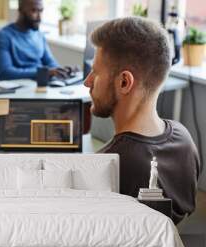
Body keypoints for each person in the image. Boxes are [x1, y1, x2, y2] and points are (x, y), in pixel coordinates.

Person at [84, 17, 200, 225]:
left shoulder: (104, 169)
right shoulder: (184, 139)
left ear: (124, 82)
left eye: (96, 72)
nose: (87, 82)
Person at [0, 0, 69, 80]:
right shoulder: (3, 37)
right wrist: (44, 72)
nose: (39, 17)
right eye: (34, 11)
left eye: (41, 11)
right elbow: (5, 73)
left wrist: (63, 71)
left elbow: (51, 63)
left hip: (41, 84)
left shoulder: (39, 35)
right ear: (20, 10)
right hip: (19, 87)